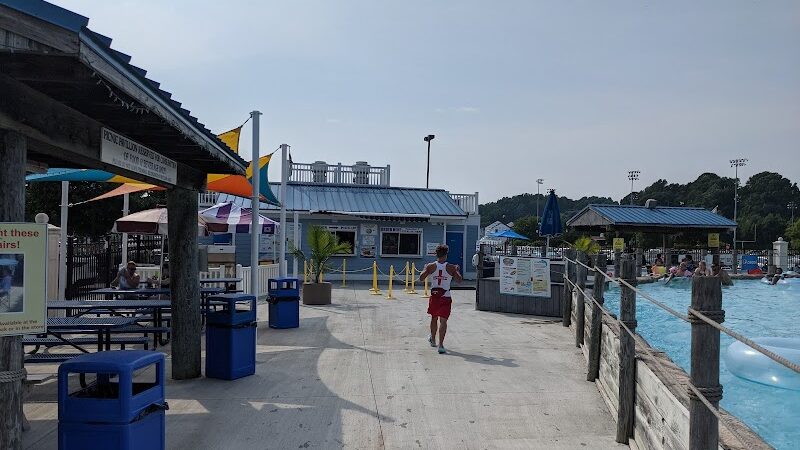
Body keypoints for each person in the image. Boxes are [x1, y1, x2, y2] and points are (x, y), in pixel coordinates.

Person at [418, 244, 463, 354]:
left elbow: (421, 278)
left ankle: (433, 340)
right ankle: (441, 345)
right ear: (446, 254)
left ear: (436, 254)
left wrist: (425, 269)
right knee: (443, 321)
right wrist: (457, 270)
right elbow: (459, 280)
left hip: (435, 296)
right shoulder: (451, 267)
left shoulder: (430, 266)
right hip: (445, 296)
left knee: (434, 318)